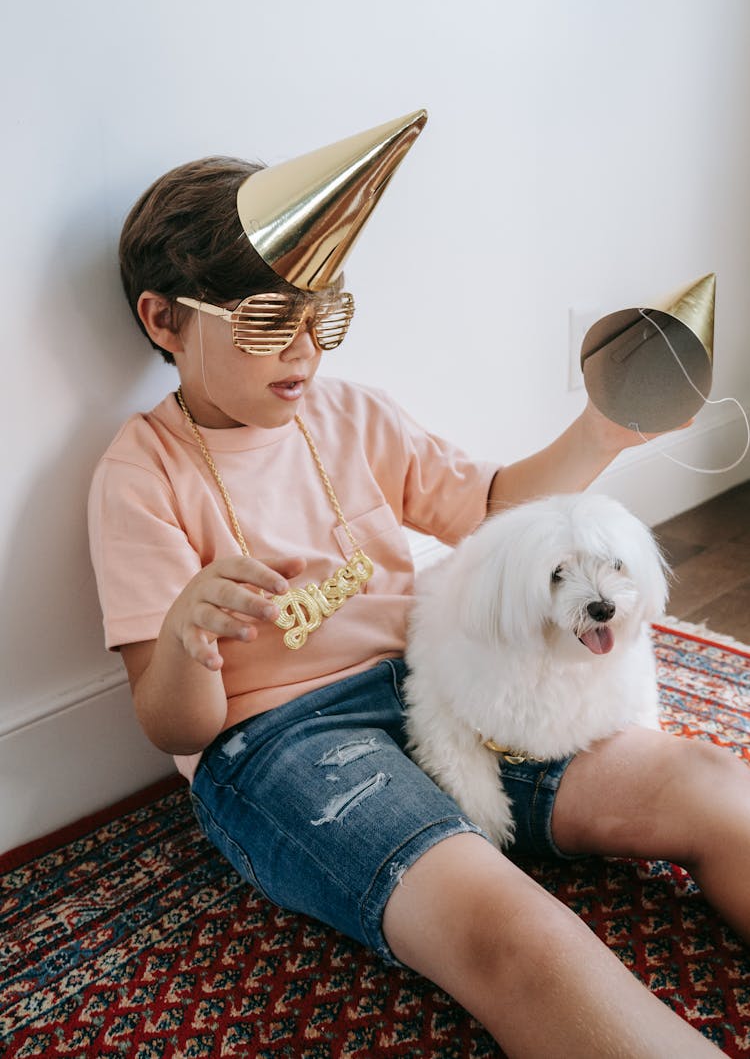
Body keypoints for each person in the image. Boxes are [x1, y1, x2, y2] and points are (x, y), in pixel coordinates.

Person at [89, 113, 749, 1058]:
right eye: (273, 323)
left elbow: (485, 506)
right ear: (165, 319)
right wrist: (192, 628)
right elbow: (178, 727)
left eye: (325, 316)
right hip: (283, 739)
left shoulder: (350, 413)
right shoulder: (141, 474)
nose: (306, 354)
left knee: (709, 780)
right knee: (515, 931)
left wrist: (603, 429)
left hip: (441, 685)